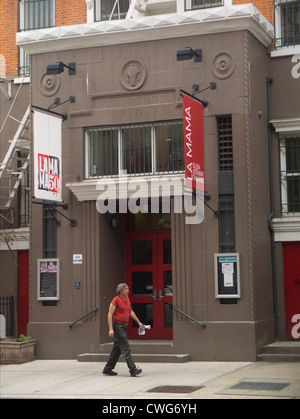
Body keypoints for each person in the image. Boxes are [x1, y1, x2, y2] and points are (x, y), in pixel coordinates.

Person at [102, 283, 143, 377]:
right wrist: (111, 329)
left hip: (125, 326)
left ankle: (108, 368)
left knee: (117, 349)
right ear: (120, 291)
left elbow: (130, 311)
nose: (128, 290)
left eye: (128, 289)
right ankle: (133, 369)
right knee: (126, 347)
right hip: (118, 326)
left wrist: (139, 322)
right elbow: (109, 314)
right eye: (126, 289)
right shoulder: (116, 300)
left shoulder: (127, 299)